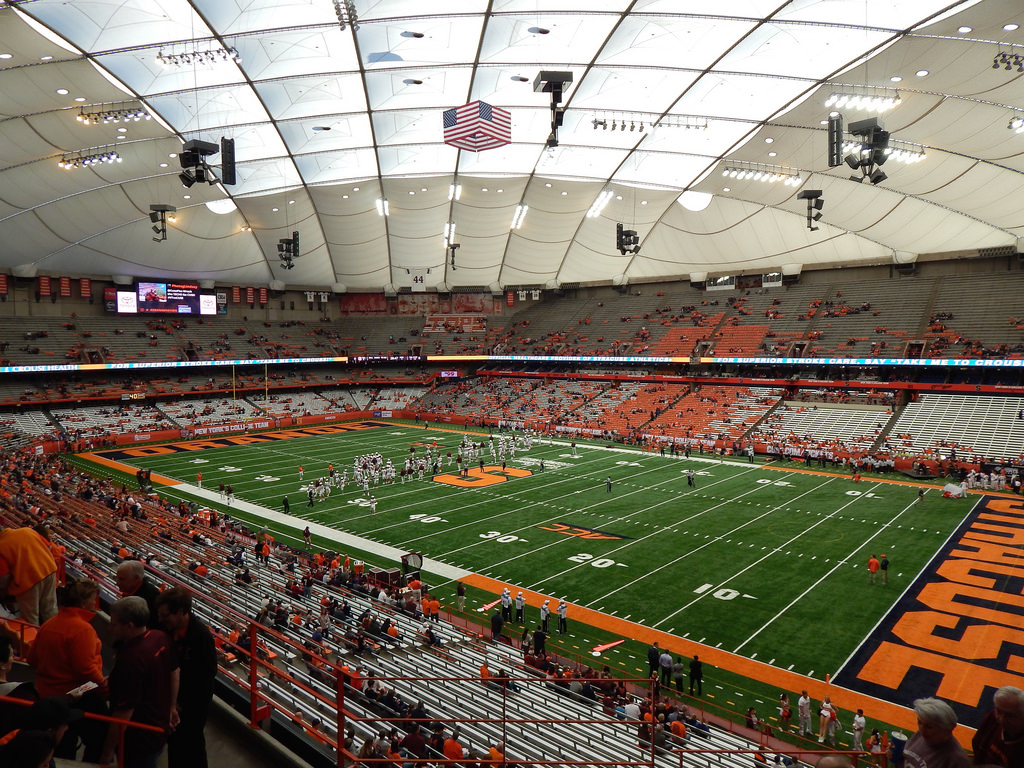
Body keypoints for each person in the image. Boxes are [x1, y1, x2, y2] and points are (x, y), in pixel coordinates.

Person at [26, 578, 107, 760]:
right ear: (84, 601)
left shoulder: (49, 624)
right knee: (100, 737)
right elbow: (86, 670)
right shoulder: (82, 629)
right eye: (93, 598)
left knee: (60, 748)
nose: (95, 603)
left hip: (47, 695)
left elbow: (32, 659)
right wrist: (103, 686)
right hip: (75, 694)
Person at [101, 597, 179, 768]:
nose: (110, 628)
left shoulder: (131, 659)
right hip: (159, 728)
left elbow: (123, 713)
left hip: (138, 740)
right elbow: (174, 671)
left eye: (114, 624)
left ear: (129, 625)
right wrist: (172, 707)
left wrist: (107, 751)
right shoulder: (160, 637)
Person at [156, 588, 217, 768]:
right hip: (172, 699)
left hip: (193, 702)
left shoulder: (201, 637)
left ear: (182, 612)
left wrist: (180, 702)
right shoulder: (165, 627)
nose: (160, 620)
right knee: (175, 742)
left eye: (165, 615)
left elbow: (206, 674)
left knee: (192, 742)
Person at [0, 524, 58, 626]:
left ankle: (34, 640)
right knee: (50, 610)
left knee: (30, 618)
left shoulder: (1, 545)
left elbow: (3, 578)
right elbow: (48, 545)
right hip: (49, 570)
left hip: (27, 581)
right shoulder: (27, 531)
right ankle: (55, 636)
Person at [903, 697, 969, 768]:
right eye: (919, 722)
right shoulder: (922, 735)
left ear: (946, 729)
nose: (922, 730)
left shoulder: (957, 760)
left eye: (929, 727)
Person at [972, 685, 1024, 767]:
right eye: (999, 711)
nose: (1001, 719)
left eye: (1010, 715)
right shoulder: (992, 717)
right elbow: (977, 742)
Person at [116, 560, 161, 627]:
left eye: (121, 579)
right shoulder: (129, 591)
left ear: (137, 578)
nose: (117, 583)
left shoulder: (152, 596)